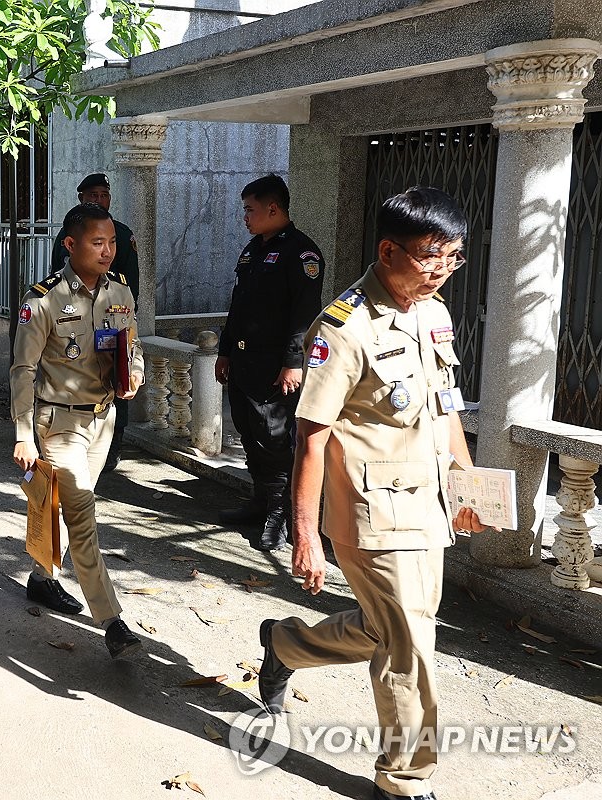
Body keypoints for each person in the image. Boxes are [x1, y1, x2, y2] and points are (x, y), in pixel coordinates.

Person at [257, 187, 489, 800]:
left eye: (453, 258)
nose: (442, 271)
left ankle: (285, 644)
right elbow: (311, 436)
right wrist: (304, 536)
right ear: (388, 251)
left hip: (429, 507)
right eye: (429, 257)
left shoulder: (432, 313)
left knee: (393, 630)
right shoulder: (344, 326)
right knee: (411, 647)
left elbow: (444, 412)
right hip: (371, 514)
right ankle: (405, 780)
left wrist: (470, 489)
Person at [12, 203, 145, 659]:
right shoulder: (43, 299)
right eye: (97, 243)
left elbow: (134, 344)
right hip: (59, 423)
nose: (108, 252)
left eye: (111, 243)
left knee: (64, 509)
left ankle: (41, 579)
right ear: (71, 245)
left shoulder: (119, 291)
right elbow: (23, 370)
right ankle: (111, 620)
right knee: (83, 515)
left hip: (103, 418)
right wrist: (22, 434)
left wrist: (135, 376)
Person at [215, 174, 325, 551]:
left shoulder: (301, 253)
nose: (245, 217)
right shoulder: (253, 250)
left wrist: (294, 362)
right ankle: (260, 502)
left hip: (275, 367)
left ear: (272, 208)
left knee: (275, 440)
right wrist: (225, 349)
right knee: (249, 434)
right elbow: (239, 307)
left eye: (250, 209)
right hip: (244, 363)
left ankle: (279, 514)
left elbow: (304, 315)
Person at [50, 172, 139, 472]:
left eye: (104, 194)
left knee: (117, 377)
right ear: (81, 199)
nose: (100, 200)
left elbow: (130, 286)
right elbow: (56, 281)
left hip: (111, 318)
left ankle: (114, 443)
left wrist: (120, 315)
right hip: (73, 324)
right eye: (93, 195)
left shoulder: (123, 235)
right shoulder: (69, 235)